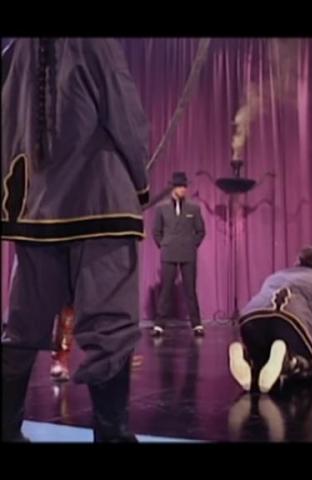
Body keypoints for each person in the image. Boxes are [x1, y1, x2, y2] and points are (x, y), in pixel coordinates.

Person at [1, 38, 150, 442]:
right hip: (102, 205)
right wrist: (140, 186)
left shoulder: (16, 51)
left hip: (36, 211)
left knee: (22, 328)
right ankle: (111, 436)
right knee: (110, 329)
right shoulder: (96, 43)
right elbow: (126, 117)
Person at [228, 246, 312, 393]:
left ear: (297, 262)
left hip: (251, 317)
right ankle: (289, 361)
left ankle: (246, 355)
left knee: (263, 360)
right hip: (292, 318)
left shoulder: (275, 276)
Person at [152, 171, 206, 337]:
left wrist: (192, 244)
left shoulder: (194, 208)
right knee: (166, 289)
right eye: (180, 186)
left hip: (188, 253)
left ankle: (197, 324)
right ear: (173, 188)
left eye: (184, 186)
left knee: (190, 290)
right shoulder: (161, 208)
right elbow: (156, 231)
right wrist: (164, 245)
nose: (183, 189)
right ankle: (159, 324)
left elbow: (201, 231)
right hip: (169, 252)